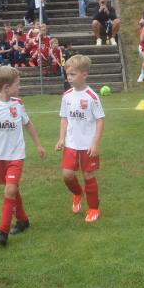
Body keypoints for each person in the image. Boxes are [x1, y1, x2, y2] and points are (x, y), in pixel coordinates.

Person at [0, 66, 46, 246]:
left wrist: (38, 145)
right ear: (6, 88)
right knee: (12, 189)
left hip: (16, 155)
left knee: (10, 190)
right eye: (17, 84)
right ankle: (23, 220)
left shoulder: (18, 104)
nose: (19, 87)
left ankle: (2, 231)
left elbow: (28, 124)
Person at [55, 55, 105, 223]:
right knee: (67, 175)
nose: (69, 77)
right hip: (71, 143)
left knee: (88, 175)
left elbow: (100, 120)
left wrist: (95, 143)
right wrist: (61, 139)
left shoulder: (92, 96)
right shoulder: (67, 95)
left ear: (84, 74)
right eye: (67, 74)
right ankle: (77, 193)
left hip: (87, 145)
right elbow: (64, 118)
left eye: (73, 74)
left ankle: (93, 208)